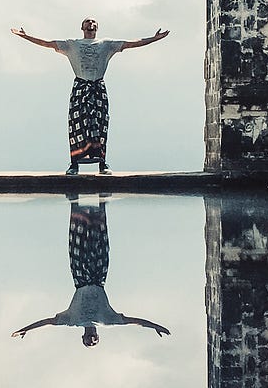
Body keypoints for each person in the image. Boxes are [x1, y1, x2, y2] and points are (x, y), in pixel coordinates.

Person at [11, 18, 170, 174]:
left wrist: (154, 39)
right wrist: (26, 36)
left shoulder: (106, 45)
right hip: (80, 87)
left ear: (97, 28)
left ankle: (102, 163)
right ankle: (74, 164)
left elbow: (131, 43)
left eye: (94, 22)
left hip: (98, 87)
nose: (91, 24)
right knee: (77, 124)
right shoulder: (72, 44)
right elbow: (48, 43)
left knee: (100, 124)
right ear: (82, 27)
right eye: (88, 22)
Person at [11, 200, 170, 346]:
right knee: (100, 241)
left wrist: (25, 329)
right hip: (99, 277)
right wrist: (155, 326)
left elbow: (47, 322)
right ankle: (101, 204)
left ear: (83, 337)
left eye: (89, 342)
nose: (92, 339)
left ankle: (76, 203)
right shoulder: (108, 320)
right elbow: (134, 321)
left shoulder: (72, 321)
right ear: (98, 337)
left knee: (78, 240)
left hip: (80, 278)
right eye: (95, 342)